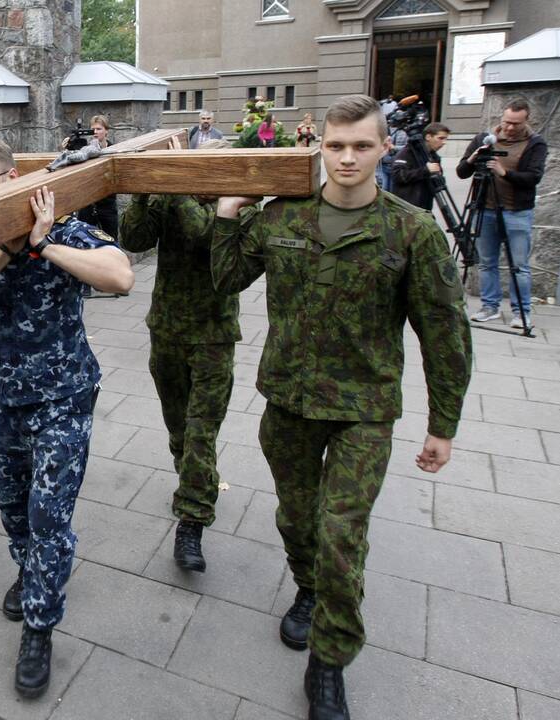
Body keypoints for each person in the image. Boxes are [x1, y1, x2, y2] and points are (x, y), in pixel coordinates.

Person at [211, 94, 472, 720]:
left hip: (364, 408)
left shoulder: (411, 232)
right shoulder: (283, 219)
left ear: (385, 148)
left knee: (340, 533)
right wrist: (227, 217)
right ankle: (309, 590)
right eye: (336, 145)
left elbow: (444, 332)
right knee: (298, 522)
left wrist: (444, 425)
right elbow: (225, 281)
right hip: (290, 403)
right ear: (319, 148)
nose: (348, 157)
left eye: (361, 145)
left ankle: (329, 659)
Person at [0, 136, 134, 698]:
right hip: (4, 399)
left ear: (11, 179)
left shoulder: (63, 225)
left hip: (64, 397)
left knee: (49, 515)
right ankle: (29, 570)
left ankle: (40, 628)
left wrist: (42, 245)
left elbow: (120, 276)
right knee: (13, 508)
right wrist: (1, 249)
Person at [119, 135, 240, 573]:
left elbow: (204, 235)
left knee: (200, 430)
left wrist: (177, 183)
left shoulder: (240, 204)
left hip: (213, 335)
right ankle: (194, 477)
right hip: (166, 329)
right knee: (178, 428)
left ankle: (192, 518)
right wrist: (145, 189)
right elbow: (133, 239)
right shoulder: (173, 197)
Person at [457, 99, 548, 327]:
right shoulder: (484, 139)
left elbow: (533, 178)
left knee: (519, 265)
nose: (509, 127)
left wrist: (503, 172)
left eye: (516, 124)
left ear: (527, 120)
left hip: (516, 212)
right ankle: (490, 307)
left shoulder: (535, 143)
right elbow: (461, 172)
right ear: (501, 117)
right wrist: (472, 158)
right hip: (484, 210)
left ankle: (521, 312)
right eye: (507, 122)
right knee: (487, 262)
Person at [75, 115, 119, 240]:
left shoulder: (114, 149)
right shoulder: (84, 150)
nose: (95, 132)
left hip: (107, 205)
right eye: (93, 129)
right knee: (83, 240)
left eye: (99, 129)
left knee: (111, 240)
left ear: (106, 131)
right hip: (87, 204)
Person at [390, 122, 450, 211]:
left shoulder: (434, 156)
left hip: (425, 207)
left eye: (445, 139)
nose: (444, 142)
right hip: (407, 207)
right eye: (440, 138)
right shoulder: (407, 152)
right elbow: (398, 176)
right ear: (428, 137)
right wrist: (425, 170)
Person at [378, 123, 408, 192]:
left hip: (395, 166)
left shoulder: (402, 133)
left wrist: (394, 147)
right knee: (384, 189)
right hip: (384, 165)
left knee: (393, 190)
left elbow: (406, 147)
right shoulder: (384, 131)